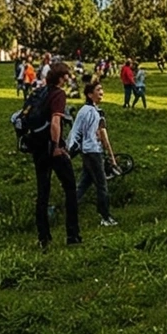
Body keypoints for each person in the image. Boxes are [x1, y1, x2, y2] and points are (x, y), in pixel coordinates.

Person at [31, 62, 82, 248]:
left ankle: (43, 237)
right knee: (70, 188)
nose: (68, 78)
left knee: (43, 192)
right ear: (61, 77)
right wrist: (56, 147)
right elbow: (55, 122)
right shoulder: (58, 94)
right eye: (66, 75)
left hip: (37, 147)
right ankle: (72, 234)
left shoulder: (41, 92)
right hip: (52, 148)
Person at [68, 80, 119, 227]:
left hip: (91, 151)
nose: (101, 92)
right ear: (90, 94)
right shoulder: (87, 111)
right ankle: (105, 217)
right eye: (98, 90)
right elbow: (79, 132)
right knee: (102, 185)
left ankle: (68, 207)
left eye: (101, 89)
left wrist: (109, 153)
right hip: (92, 152)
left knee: (84, 184)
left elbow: (100, 133)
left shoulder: (96, 111)